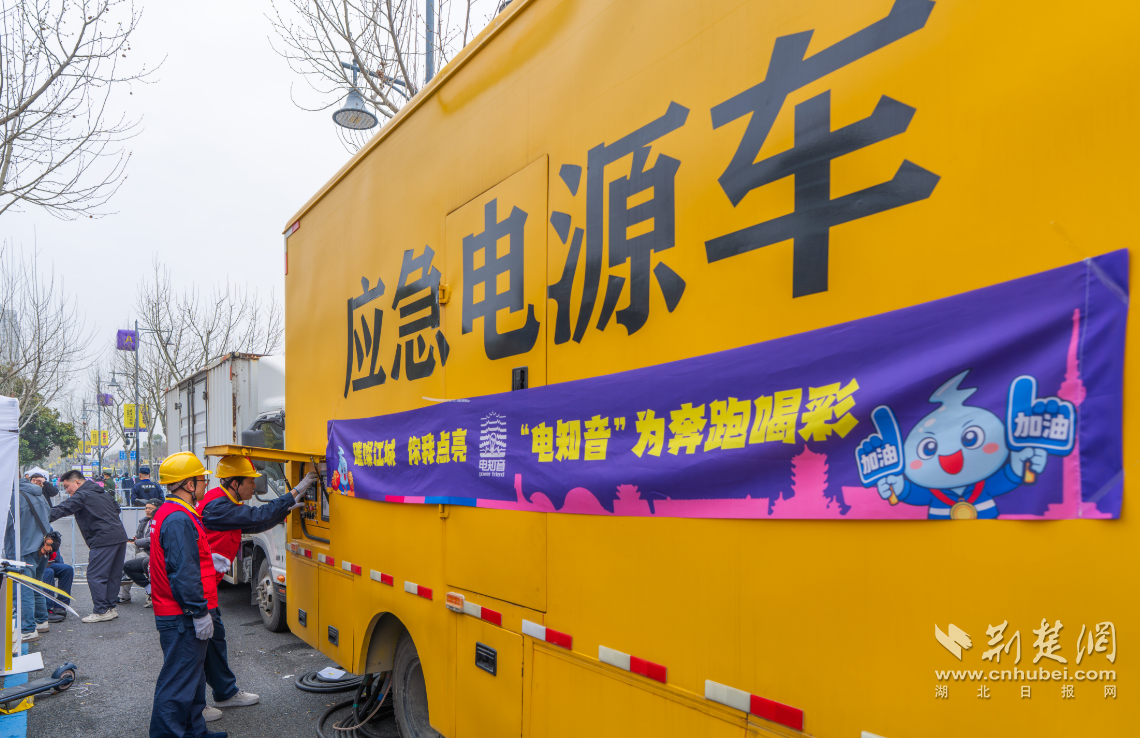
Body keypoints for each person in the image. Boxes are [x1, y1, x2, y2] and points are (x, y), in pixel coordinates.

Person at [194, 456, 316, 722]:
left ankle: (225, 693)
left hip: (207, 585)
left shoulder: (225, 502)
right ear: (234, 483)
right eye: (250, 482)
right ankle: (194, 706)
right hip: (199, 587)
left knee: (214, 641)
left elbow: (256, 523)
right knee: (197, 649)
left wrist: (286, 508)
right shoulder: (217, 506)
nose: (254, 487)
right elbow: (257, 516)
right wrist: (294, 491)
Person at [148, 452, 226, 738]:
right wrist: (199, 611)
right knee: (178, 682)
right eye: (202, 479)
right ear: (189, 485)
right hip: (181, 614)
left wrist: (208, 559)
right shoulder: (179, 518)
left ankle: (195, 732)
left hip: (178, 611)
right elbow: (183, 572)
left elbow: (183, 561)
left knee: (191, 679)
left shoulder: (172, 513)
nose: (206, 484)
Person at [51, 470, 129, 623]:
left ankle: (101, 610)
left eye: (67, 486)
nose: (67, 491)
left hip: (102, 538)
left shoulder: (82, 494)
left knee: (95, 575)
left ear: (77, 482)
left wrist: (37, 516)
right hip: (119, 535)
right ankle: (110, 608)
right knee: (113, 575)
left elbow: (61, 509)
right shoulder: (102, 492)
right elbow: (117, 509)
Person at [5, 476, 55, 641]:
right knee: (36, 585)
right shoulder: (36, 492)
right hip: (41, 547)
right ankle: (41, 621)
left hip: (21, 547)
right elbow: (48, 515)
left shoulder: (11, 496)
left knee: (22, 589)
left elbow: (6, 523)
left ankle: (27, 628)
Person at [120, 499, 160, 606]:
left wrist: (137, 541)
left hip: (151, 551)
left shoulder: (159, 521)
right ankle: (124, 594)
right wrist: (135, 539)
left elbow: (152, 539)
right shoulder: (144, 521)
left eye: (150, 508)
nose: (147, 510)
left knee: (138, 557)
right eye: (146, 508)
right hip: (142, 548)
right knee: (127, 547)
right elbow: (139, 537)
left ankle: (147, 592)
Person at [41, 549, 74, 623]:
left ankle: (61, 606)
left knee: (67, 569)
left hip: (46, 562)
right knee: (48, 572)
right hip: (32, 563)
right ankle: (46, 610)